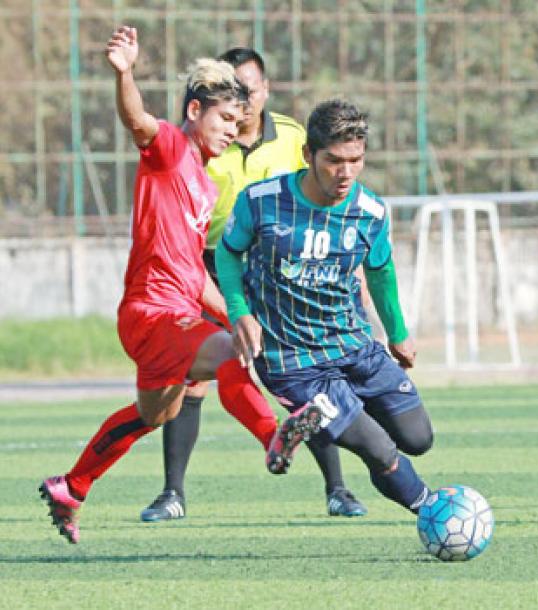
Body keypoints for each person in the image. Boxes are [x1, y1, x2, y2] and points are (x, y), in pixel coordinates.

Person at [38, 26, 298, 544]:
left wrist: (234, 312)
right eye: (225, 118)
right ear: (196, 110)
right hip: (154, 313)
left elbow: (193, 271)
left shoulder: (202, 179)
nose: (232, 130)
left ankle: (72, 485)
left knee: (155, 414)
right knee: (231, 353)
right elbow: (136, 120)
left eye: (238, 120)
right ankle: (274, 440)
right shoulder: (171, 148)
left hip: (171, 312)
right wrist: (125, 72)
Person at [140, 47, 366, 523]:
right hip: (210, 266)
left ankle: (338, 489)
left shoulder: (292, 138)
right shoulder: (204, 143)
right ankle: (172, 492)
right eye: (236, 90)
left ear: (264, 91)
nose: (246, 98)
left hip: (281, 271)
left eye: (253, 88)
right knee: (193, 379)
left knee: (307, 375)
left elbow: (322, 193)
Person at [216, 99, 435, 518]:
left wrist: (398, 333)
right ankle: (436, 511)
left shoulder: (370, 211)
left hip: (354, 346)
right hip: (292, 360)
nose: (345, 173)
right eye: (334, 161)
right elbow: (228, 256)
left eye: (355, 160)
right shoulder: (261, 201)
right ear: (308, 155)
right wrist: (240, 311)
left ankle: (333, 414)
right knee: (378, 447)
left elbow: (380, 271)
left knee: (417, 438)